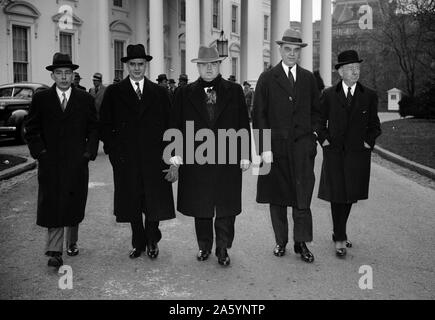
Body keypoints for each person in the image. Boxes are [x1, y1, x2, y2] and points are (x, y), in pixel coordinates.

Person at [170, 45, 251, 266]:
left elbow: (243, 122)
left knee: (226, 206)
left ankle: (223, 248)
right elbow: (175, 124)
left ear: (219, 66)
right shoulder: (184, 92)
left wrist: (245, 154)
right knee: (201, 205)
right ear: (197, 66)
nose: (208, 68)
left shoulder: (234, 91)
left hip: (227, 157)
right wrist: (175, 154)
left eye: (213, 64)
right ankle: (204, 245)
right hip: (197, 159)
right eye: (204, 64)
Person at [99, 44, 176, 260]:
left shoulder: (159, 92)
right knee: (132, 202)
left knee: (153, 201)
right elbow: (104, 125)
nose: (136, 68)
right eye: (132, 64)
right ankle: (138, 241)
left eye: (140, 64)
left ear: (146, 65)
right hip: (127, 159)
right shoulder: (114, 93)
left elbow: (170, 125)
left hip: (154, 158)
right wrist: (114, 152)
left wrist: (170, 155)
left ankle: (152, 240)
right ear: (126, 66)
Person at [24, 52, 99, 268]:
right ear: (53, 75)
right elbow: (32, 129)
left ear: (73, 75)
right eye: (59, 73)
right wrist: (41, 153)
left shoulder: (84, 99)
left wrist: (88, 153)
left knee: (74, 202)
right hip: (51, 163)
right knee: (53, 203)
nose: (64, 77)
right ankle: (55, 250)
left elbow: (94, 127)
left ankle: (72, 242)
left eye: (67, 73)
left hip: (77, 162)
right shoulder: (41, 99)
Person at [252, 28, 321, 263]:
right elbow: (258, 115)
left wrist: (312, 136)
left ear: (300, 52)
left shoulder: (308, 78)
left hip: (302, 148)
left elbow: (317, 111)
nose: (292, 54)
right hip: (275, 149)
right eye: (287, 49)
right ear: (280, 50)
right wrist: (264, 148)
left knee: (302, 198)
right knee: (278, 198)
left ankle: (301, 243)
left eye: (296, 50)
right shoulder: (267, 78)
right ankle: (280, 241)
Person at [317, 50, 381, 257]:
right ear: (341, 72)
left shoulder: (369, 95)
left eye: (358, 68)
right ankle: (340, 238)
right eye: (351, 69)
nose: (355, 72)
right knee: (337, 197)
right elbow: (318, 122)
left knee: (350, 196)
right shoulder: (328, 94)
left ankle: (339, 231)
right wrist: (325, 141)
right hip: (334, 154)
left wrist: (367, 144)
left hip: (357, 156)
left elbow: (375, 126)